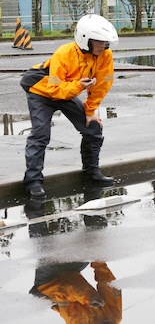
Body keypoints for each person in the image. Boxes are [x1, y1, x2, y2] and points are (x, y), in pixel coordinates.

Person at [20, 14, 118, 198]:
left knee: (93, 127)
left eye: (105, 42)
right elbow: (55, 90)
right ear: (85, 40)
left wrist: (91, 111)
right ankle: (33, 181)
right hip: (41, 91)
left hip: (68, 90)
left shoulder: (105, 55)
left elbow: (102, 84)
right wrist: (79, 86)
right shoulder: (63, 53)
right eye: (99, 42)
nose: (103, 46)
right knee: (40, 134)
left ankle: (91, 172)